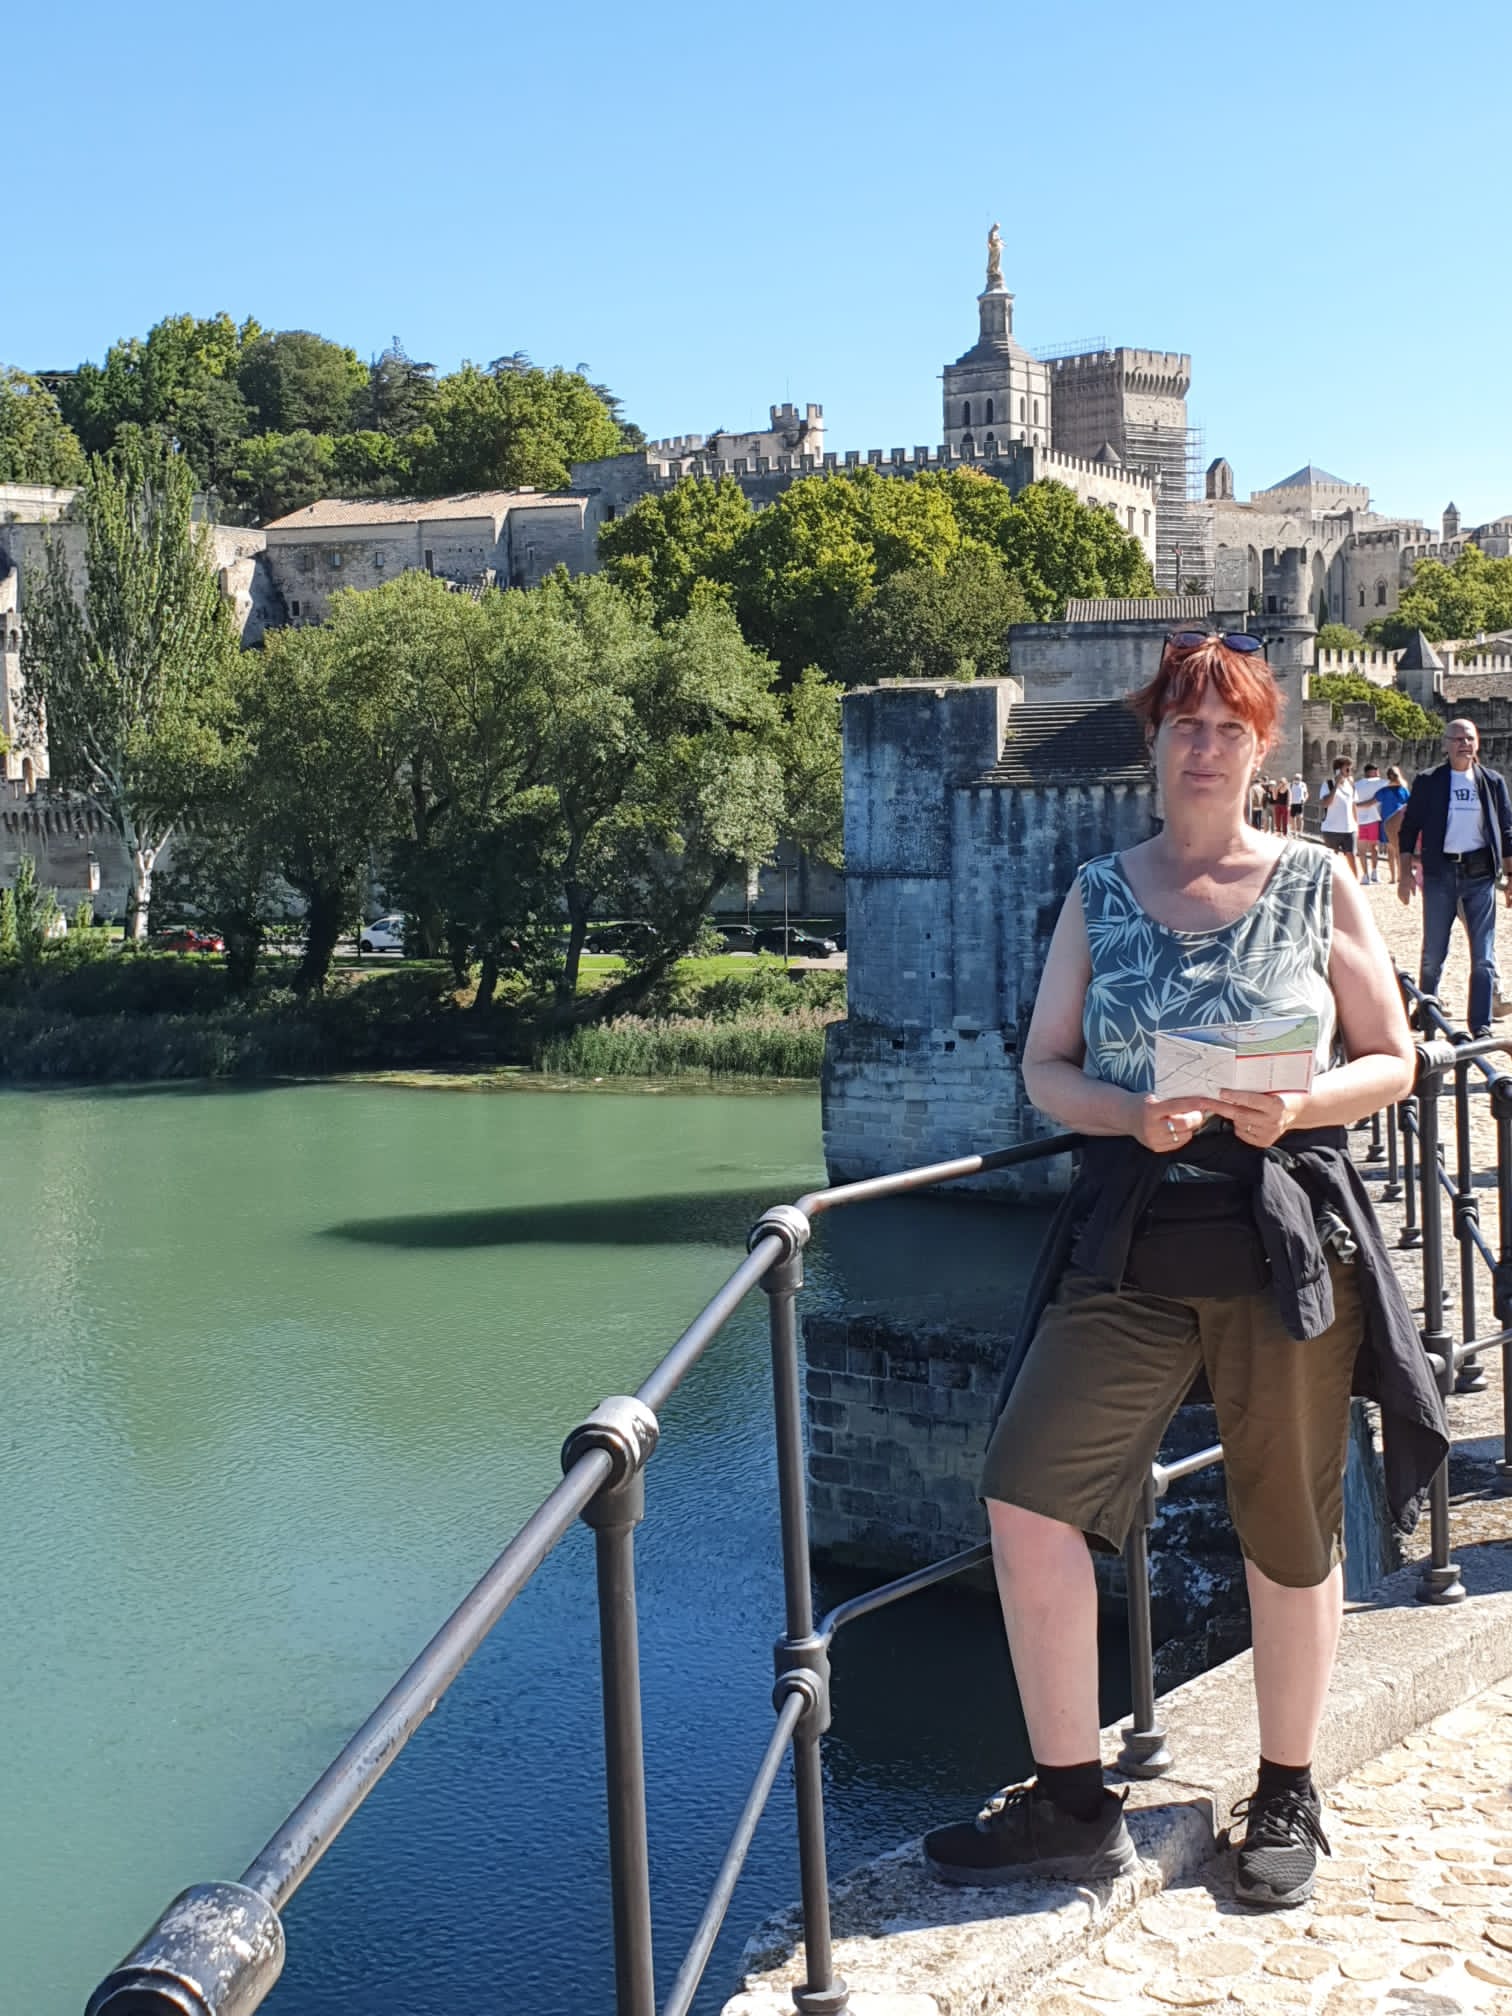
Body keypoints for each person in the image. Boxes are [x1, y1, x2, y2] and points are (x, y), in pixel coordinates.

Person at [923, 632, 1445, 1911]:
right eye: (1184, 725)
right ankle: (1069, 1802)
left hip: (1282, 1239)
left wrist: (1299, 1104)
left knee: (1289, 1531)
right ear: (1154, 743)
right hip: (1134, 1238)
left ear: (1263, 749)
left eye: (1229, 728)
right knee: (1028, 1495)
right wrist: (1126, 1111)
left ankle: (1287, 1790)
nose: (1204, 747)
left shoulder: (1318, 880)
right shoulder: (1099, 889)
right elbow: (1045, 1066)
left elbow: (1393, 1059)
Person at [1396, 718, 1512, 1037]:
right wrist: (1404, 875)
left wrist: (1510, 874)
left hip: (1480, 874)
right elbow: (1409, 830)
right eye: (1458, 738)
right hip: (1441, 873)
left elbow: (1506, 831)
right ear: (1446, 744)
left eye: (1470, 738)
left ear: (1478, 742)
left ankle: (1481, 1026)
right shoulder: (1429, 781)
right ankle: (1428, 1016)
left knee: (1484, 956)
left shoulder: (1492, 782)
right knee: (1434, 953)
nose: (1465, 744)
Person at [1319, 757, 1358, 876]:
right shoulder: (1328, 784)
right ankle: (1331, 883)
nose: (1350, 771)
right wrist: (1336, 785)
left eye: (1350, 768)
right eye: (1347, 769)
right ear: (1338, 770)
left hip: (1349, 829)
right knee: (1332, 859)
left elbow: (1353, 805)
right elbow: (1325, 803)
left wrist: (1357, 824)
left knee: (1352, 857)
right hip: (1331, 829)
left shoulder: (1351, 785)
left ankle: (1355, 882)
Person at [1375, 765, 1411, 886]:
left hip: (1387, 822)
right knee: (1399, 850)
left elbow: (1372, 802)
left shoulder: (1384, 791)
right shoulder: (1404, 790)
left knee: (1391, 851)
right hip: (1401, 822)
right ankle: (1400, 875)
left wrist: (1356, 805)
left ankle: (1393, 877)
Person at [1355, 763, 1383, 884]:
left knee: (1363, 850)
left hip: (1360, 820)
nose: (1377, 774)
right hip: (1372, 819)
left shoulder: (1356, 785)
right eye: (1376, 771)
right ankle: (1373, 873)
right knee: (1373, 848)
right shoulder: (1380, 782)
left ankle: (1367, 875)